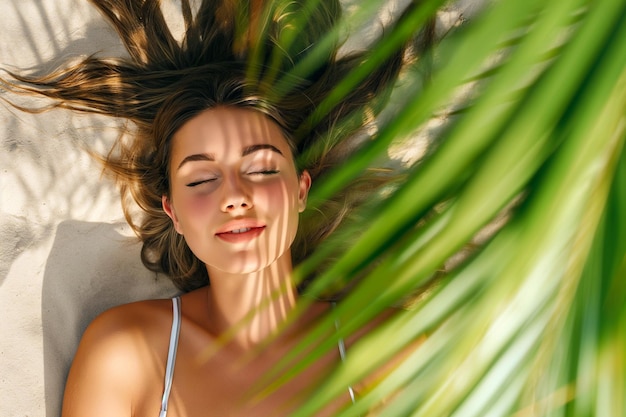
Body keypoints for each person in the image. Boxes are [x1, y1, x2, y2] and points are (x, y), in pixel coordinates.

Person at [2, 0, 428, 415]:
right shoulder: (126, 351)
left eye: (261, 169)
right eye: (202, 179)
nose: (235, 195)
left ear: (300, 191)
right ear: (175, 212)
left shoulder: (383, 347)